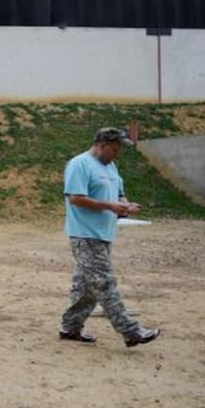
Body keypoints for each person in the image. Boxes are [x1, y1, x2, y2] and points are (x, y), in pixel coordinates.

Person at [59, 127, 161, 348]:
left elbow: (119, 193)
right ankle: (131, 331)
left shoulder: (111, 166)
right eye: (114, 149)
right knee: (104, 284)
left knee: (87, 287)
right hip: (84, 234)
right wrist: (110, 206)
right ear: (102, 145)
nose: (117, 154)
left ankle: (70, 327)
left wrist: (124, 205)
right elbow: (76, 198)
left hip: (104, 234)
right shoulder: (79, 164)